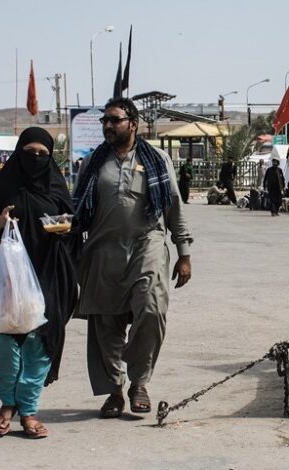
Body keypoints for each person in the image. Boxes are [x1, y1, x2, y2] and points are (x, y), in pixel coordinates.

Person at [73, 97, 193, 419]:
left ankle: (139, 381)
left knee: (152, 309)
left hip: (147, 244)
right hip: (102, 251)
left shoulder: (158, 160)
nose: (108, 126)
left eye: (114, 120)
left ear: (133, 124)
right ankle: (114, 391)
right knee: (105, 326)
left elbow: (174, 208)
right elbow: (76, 211)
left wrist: (184, 253)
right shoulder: (92, 163)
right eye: (105, 121)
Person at [0, 127, 77, 439]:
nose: (36, 159)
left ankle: (28, 409)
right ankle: (7, 404)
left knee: (40, 344)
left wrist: (62, 227)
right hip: (8, 281)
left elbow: (73, 229)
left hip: (49, 278)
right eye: (29, 153)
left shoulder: (56, 188)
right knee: (6, 345)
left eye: (43, 154)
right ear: (18, 155)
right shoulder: (5, 188)